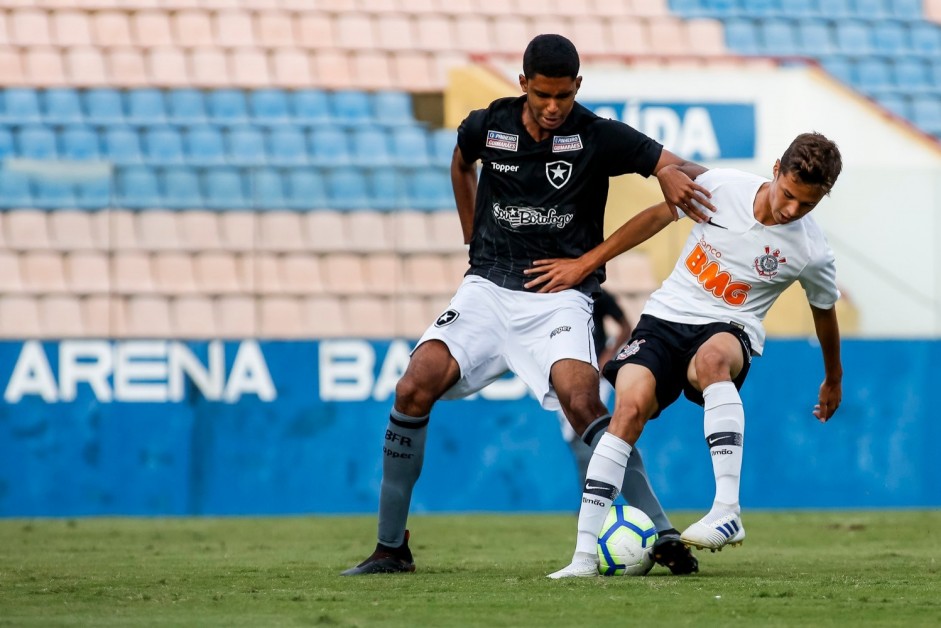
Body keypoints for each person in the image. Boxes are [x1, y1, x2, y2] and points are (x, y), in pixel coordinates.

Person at [341, 34, 716, 577]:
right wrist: (474, 238)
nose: (553, 106)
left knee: (583, 404)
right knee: (412, 386)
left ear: (577, 88)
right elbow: (460, 160)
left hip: (558, 298)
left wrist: (591, 258)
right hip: (488, 290)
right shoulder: (488, 125)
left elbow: (679, 168)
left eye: (563, 95)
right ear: (523, 85)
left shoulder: (597, 135)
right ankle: (390, 548)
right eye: (543, 94)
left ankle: (662, 533)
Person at [529, 132, 844, 578]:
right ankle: (582, 557)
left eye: (808, 204)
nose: (792, 210)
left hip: (728, 328)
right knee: (628, 411)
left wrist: (833, 378)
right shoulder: (723, 187)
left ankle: (726, 510)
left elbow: (825, 313)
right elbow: (662, 200)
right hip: (664, 319)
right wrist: (588, 261)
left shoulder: (811, 250)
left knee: (713, 361)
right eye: (789, 195)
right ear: (776, 170)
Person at [558, 289, 633, 486]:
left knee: (591, 432)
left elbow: (625, 326)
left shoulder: (596, 293)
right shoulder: (555, 292)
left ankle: (594, 496)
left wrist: (607, 356)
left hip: (594, 376)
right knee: (576, 436)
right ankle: (593, 495)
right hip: (564, 374)